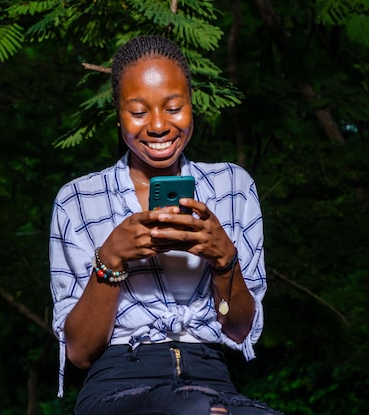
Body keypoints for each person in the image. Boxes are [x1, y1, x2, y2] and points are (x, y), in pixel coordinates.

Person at [50, 35, 281, 415]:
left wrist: (224, 260)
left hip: (211, 374)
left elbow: (238, 329)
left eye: (174, 108)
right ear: (118, 112)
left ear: (191, 105)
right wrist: (110, 260)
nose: (158, 126)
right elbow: (80, 352)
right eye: (138, 112)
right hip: (117, 382)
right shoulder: (77, 199)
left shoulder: (233, 187)